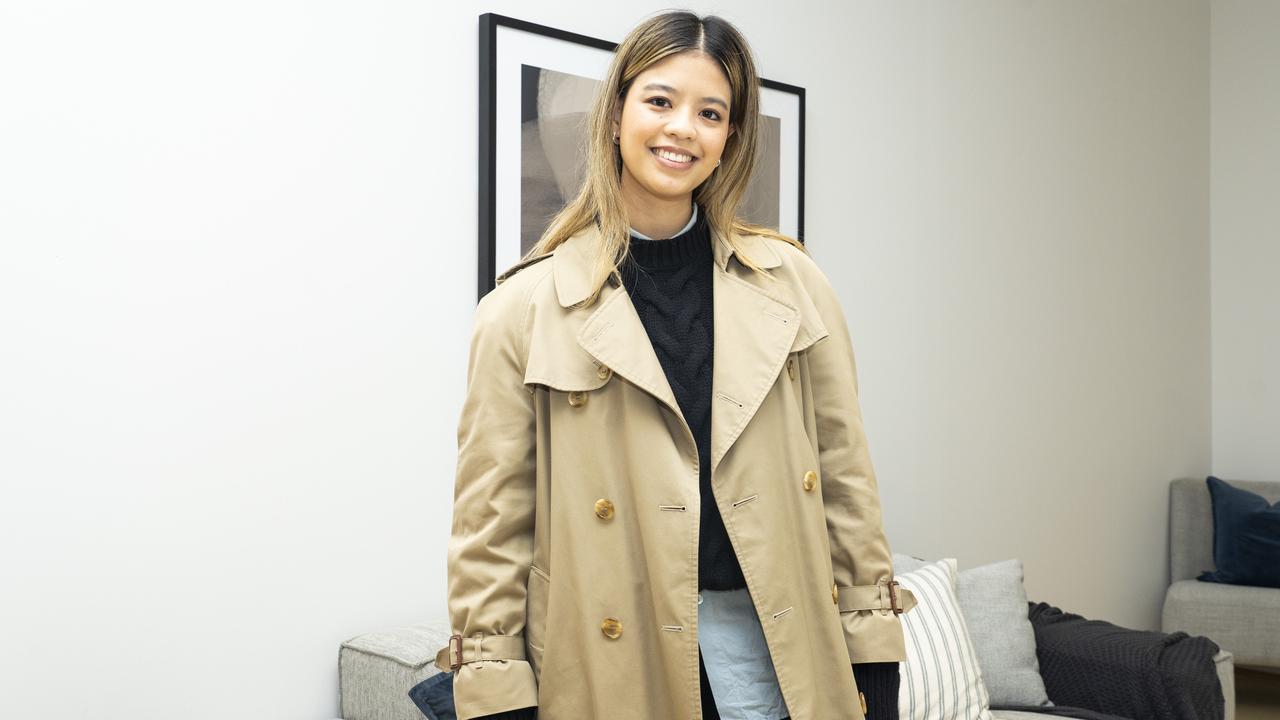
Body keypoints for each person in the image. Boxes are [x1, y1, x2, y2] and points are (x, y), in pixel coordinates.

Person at [439, 10, 916, 720]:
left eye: (710, 112)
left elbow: (847, 482)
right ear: (617, 114)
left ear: (729, 138)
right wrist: (496, 688)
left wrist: (875, 653)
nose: (682, 128)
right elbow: (491, 531)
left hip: (779, 648)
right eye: (660, 101)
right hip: (612, 661)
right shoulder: (524, 308)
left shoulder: (791, 283)